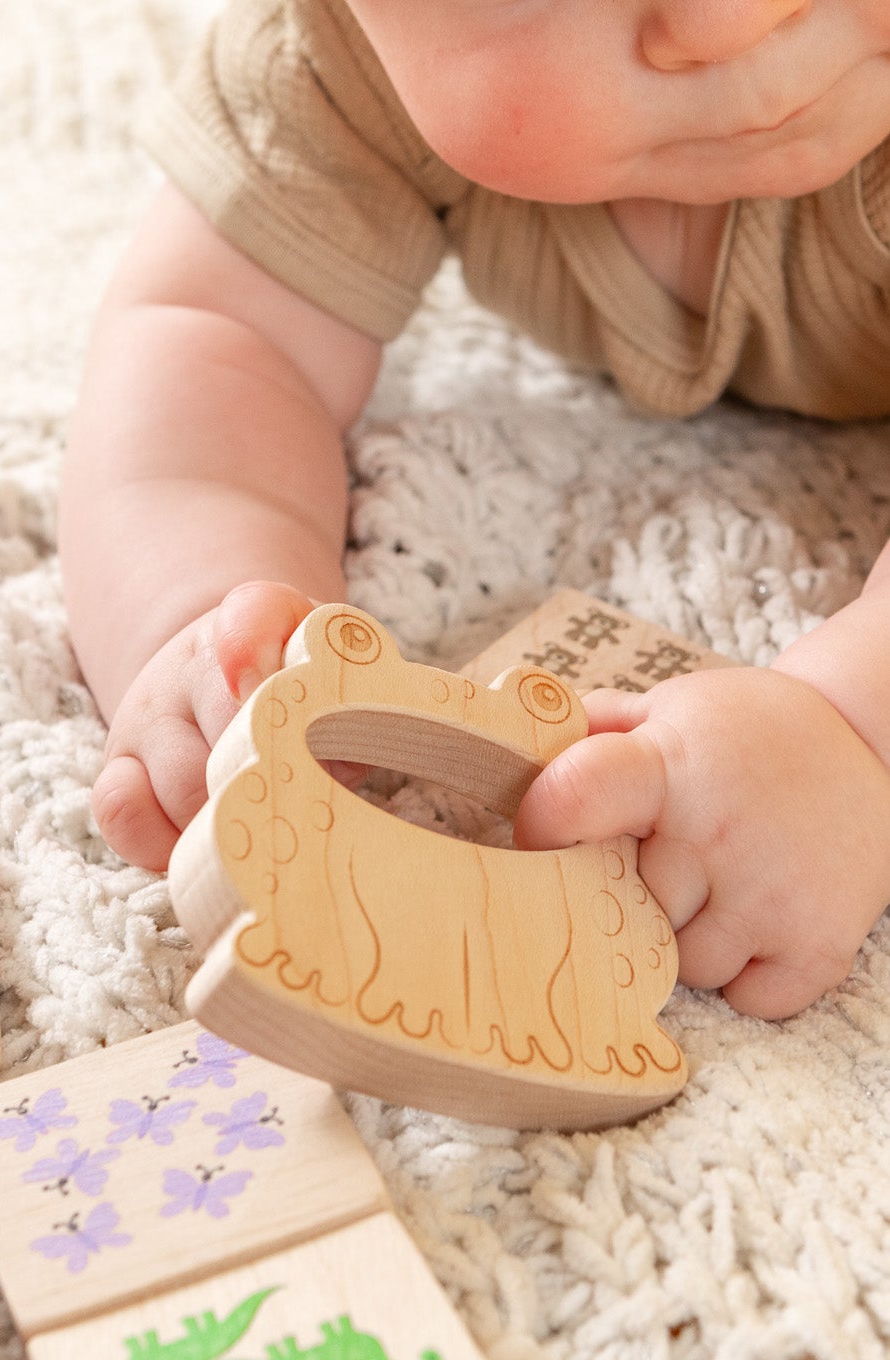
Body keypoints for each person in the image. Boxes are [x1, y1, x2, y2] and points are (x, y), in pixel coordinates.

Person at [58, 0, 890, 1021]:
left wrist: (857, 721)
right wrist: (202, 618)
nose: (733, 22)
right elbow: (217, 332)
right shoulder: (335, 65)